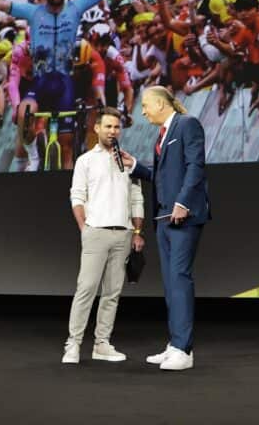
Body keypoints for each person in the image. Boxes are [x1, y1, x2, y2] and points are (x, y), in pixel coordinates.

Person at [0, 0, 159, 169]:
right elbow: (0, 2)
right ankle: (33, 155)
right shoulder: (33, 11)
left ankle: (67, 188)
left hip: (65, 83)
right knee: (23, 114)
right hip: (41, 81)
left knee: (67, 146)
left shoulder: (76, 7)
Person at [119, 86, 211, 371]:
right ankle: (175, 344)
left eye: (145, 105)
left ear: (160, 104)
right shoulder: (163, 134)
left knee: (180, 277)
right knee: (171, 283)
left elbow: (196, 166)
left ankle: (184, 350)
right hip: (163, 219)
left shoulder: (187, 125)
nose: (143, 111)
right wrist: (136, 166)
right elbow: (162, 176)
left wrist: (183, 202)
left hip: (182, 216)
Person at [63, 107, 146, 364]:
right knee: (86, 289)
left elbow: (136, 198)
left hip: (122, 234)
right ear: (96, 128)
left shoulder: (127, 161)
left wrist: (138, 231)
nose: (112, 131)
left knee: (112, 292)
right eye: (108, 126)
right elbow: (77, 196)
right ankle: (73, 344)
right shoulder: (85, 161)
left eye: (116, 127)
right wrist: (84, 229)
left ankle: (102, 343)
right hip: (96, 232)